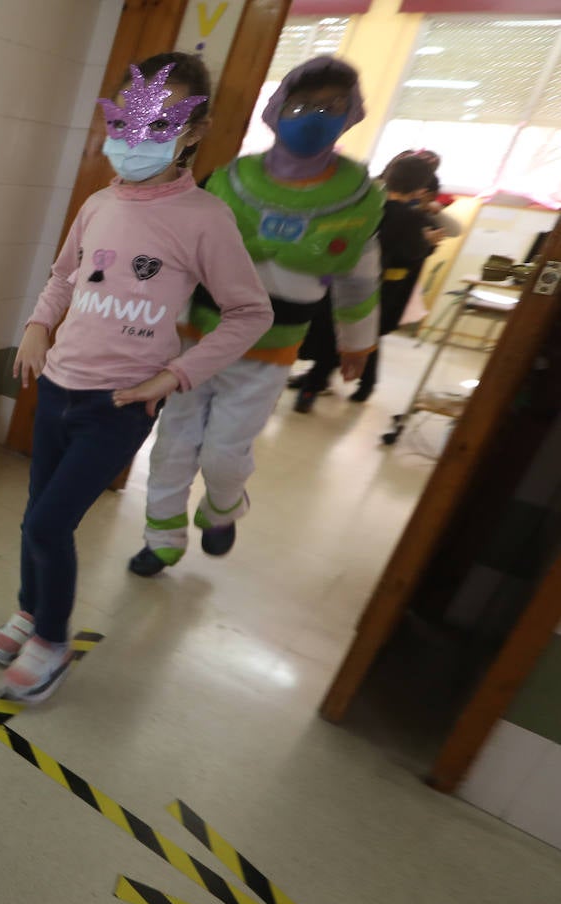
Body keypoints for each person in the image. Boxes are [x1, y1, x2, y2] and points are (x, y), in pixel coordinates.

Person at [0, 53, 272, 702]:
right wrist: (37, 324)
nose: (137, 141)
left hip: (118, 405)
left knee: (49, 526)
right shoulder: (97, 204)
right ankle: (31, 612)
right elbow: (64, 275)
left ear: (193, 132)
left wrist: (176, 374)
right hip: (58, 386)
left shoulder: (204, 219)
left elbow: (250, 313)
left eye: (160, 123)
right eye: (128, 123)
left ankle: (51, 641)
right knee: (38, 516)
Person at [128, 56, 383, 577]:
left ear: (350, 113)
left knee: (225, 451)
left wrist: (357, 342)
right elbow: (183, 258)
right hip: (196, 340)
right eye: (301, 105)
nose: (312, 116)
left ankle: (223, 508)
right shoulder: (230, 181)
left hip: (267, 352)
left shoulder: (355, 200)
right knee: (173, 443)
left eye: (329, 107)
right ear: (277, 109)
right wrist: (158, 325)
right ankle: (162, 537)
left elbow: (359, 279)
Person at [290, 150, 455, 403]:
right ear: (420, 187)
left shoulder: (364, 207)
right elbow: (411, 251)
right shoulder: (409, 218)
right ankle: (319, 384)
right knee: (358, 332)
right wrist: (428, 242)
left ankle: (316, 383)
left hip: (337, 278)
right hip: (377, 287)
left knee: (331, 330)